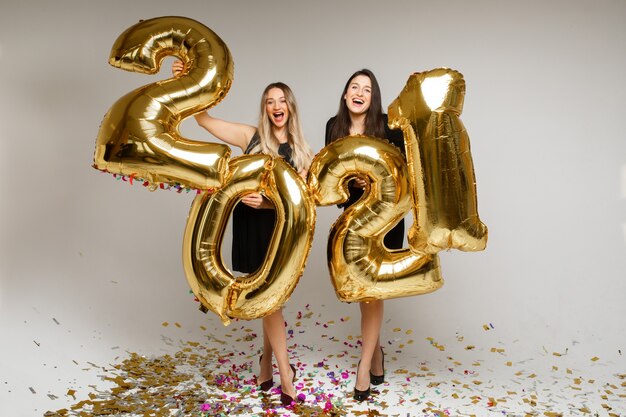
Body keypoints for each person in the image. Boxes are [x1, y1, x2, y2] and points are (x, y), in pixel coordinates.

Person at [173, 61, 313, 406]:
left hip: (279, 235)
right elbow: (204, 120)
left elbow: (305, 207)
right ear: (265, 108)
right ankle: (281, 370)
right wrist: (187, 82)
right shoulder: (250, 137)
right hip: (249, 230)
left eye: (281, 100)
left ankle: (274, 366)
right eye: (269, 101)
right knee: (268, 304)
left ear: (290, 107)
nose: (276, 106)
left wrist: (266, 203)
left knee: (271, 303)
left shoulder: (305, 154)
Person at [325, 69, 405, 402]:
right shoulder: (334, 126)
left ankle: (363, 364)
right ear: (345, 95)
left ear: (374, 99)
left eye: (367, 89)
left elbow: (405, 171)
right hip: (352, 219)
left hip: (385, 222)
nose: (360, 92)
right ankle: (377, 353)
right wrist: (349, 189)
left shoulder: (387, 126)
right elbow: (332, 179)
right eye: (354, 87)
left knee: (372, 292)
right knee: (362, 293)